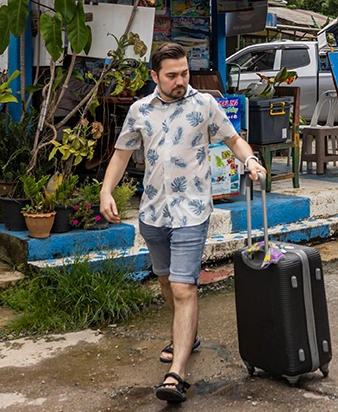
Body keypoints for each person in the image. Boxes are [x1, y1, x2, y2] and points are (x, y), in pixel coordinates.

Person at [100, 42, 266, 403]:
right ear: (154, 76)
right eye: (172, 75)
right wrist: (106, 191)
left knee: (183, 287)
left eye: (184, 73)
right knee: (166, 280)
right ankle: (186, 336)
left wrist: (250, 161)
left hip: (192, 211)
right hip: (153, 212)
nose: (180, 81)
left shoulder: (204, 104)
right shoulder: (140, 110)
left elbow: (234, 140)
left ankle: (176, 374)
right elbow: (121, 155)